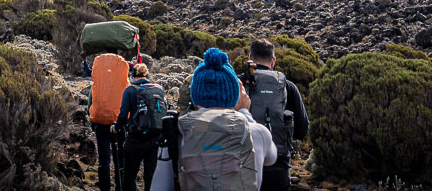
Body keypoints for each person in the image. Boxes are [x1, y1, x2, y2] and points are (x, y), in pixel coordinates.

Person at [177, 48, 258, 191]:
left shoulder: (181, 129)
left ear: (196, 95)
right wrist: (245, 111)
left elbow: (159, 183)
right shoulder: (249, 128)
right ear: (234, 96)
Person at [244, 40, 310, 191]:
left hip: (244, 164)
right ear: (273, 61)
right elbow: (303, 129)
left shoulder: (240, 83)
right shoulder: (287, 86)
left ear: (250, 57)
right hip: (279, 166)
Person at [117, 62, 165, 191]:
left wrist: (117, 127)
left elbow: (122, 115)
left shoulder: (130, 90)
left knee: (129, 174)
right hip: (155, 137)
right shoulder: (159, 89)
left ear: (133, 76)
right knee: (150, 175)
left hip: (135, 138)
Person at [90, 53, 131, 191]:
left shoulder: (98, 81)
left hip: (100, 122)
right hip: (118, 122)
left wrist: (93, 121)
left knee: (104, 160)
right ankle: (121, 187)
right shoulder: (122, 77)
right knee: (120, 158)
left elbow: (91, 99)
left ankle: (105, 188)